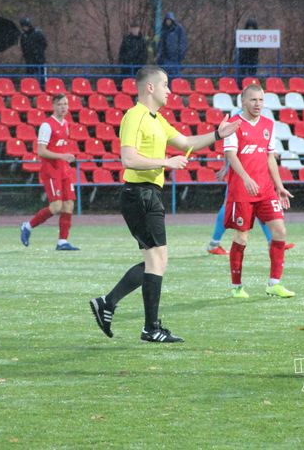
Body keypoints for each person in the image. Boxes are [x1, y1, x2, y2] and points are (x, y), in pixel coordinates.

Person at [89, 65, 240, 343]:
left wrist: (219, 134)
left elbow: (185, 142)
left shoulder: (157, 119)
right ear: (150, 87)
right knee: (158, 259)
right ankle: (149, 327)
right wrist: (165, 162)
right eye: (165, 85)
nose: (169, 91)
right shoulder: (134, 117)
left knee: (154, 260)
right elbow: (129, 159)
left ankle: (109, 304)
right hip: (140, 193)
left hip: (148, 194)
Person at [222, 84, 294, 298]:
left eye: (261, 100)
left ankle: (274, 283)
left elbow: (270, 157)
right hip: (242, 191)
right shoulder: (233, 125)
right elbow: (231, 156)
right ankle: (237, 286)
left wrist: (279, 186)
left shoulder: (268, 125)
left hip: (266, 190)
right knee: (242, 237)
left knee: (280, 231)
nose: (258, 104)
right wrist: (246, 178)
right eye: (253, 100)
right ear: (243, 101)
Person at [20, 94, 80, 251]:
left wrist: (66, 158)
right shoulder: (46, 126)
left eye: (66, 104)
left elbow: (60, 146)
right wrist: (62, 156)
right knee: (56, 206)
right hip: (51, 170)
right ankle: (28, 226)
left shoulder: (66, 123)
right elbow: (41, 151)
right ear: (53, 106)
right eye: (60, 104)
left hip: (64, 169)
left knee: (69, 205)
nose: (64, 107)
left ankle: (62, 242)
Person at [155, 12, 187, 78]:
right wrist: (159, 56)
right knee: (166, 79)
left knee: (175, 79)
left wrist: (180, 55)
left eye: (169, 20)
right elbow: (161, 45)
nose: (168, 22)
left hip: (175, 59)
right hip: (165, 59)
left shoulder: (178, 29)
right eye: (167, 20)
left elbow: (182, 43)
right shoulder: (164, 31)